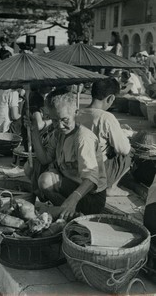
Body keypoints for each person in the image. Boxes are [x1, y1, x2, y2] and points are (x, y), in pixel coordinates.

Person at [29, 88, 107, 220]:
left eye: (64, 119)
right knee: (41, 176)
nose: (59, 125)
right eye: (54, 120)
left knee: (46, 180)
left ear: (76, 113)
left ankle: (72, 212)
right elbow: (44, 159)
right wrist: (34, 133)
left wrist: (73, 199)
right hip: (71, 186)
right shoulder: (58, 134)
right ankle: (67, 212)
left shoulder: (83, 139)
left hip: (91, 196)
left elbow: (91, 180)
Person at [77, 78, 132, 197]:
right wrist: (125, 135)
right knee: (130, 152)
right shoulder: (106, 117)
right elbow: (123, 149)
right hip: (96, 171)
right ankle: (111, 187)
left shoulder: (78, 113)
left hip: (77, 167)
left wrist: (119, 129)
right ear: (111, 98)